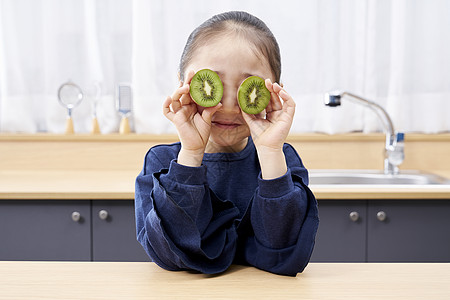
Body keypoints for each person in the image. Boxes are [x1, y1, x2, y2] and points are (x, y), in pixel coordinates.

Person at [135, 11, 319, 276]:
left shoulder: (282, 160)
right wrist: (191, 152)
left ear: (275, 92)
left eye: (248, 87)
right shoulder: (162, 163)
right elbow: (169, 256)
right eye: (212, 85)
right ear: (183, 85)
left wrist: (269, 152)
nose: (231, 105)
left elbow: (282, 253)